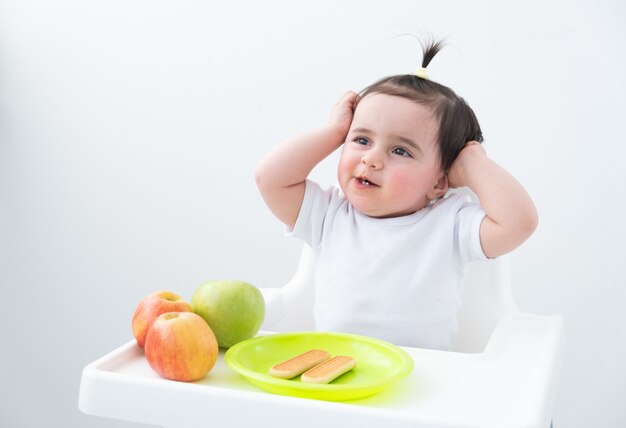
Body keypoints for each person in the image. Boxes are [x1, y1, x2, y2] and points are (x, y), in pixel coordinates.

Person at [255, 40, 538, 350]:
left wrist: (474, 163)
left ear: (439, 183)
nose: (372, 159)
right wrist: (335, 131)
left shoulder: (451, 223)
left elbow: (519, 223)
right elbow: (269, 178)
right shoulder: (329, 212)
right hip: (333, 373)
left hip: (423, 379)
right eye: (361, 139)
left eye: (400, 150)